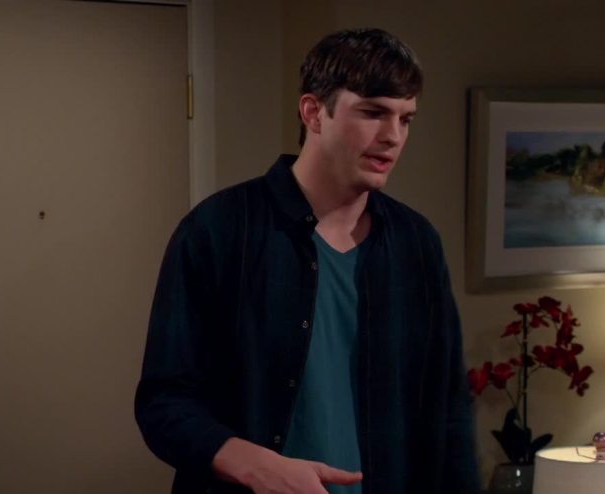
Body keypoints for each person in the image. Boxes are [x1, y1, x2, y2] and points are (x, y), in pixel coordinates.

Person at [135, 28, 479, 494]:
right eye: (373, 113)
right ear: (314, 112)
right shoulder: (219, 229)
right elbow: (164, 403)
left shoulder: (416, 244)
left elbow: (449, 412)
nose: (393, 137)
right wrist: (254, 466)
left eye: (406, 119)